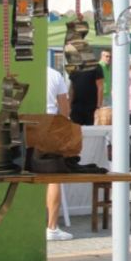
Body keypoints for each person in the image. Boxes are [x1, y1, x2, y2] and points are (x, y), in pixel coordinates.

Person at [45, 65, 73, 242]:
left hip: (26, 125)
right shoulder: (55, 75)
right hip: (50, 126)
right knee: (53, 178)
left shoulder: (23, 69)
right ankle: (52, 227)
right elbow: (65, 109)